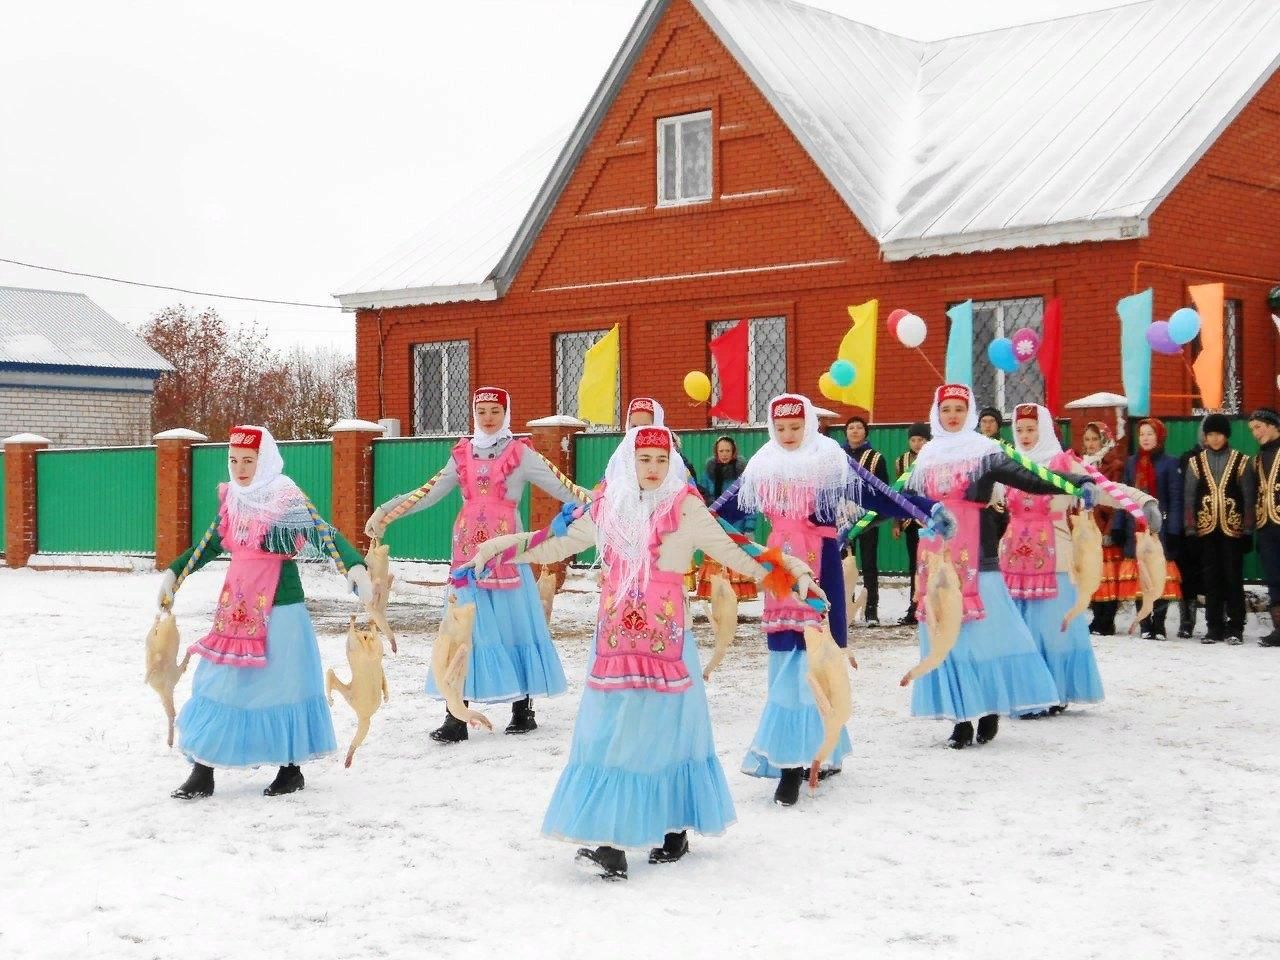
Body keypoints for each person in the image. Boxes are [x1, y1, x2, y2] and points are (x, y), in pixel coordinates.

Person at [466, 425, 816, 881]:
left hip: (666, 643)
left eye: (661, 460)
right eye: (644, 460)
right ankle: (614, 840)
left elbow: (737, 551)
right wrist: (500, 548)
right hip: (615, 643)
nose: (652, 468)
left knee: (669, 734)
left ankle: (668, 831)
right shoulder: (609, 507)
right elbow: (555, 542)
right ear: (629, 462)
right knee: (609, 732)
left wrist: (791, 571)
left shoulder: (686, 506)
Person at [717, 394, 947, 803]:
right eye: (781, 428)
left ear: (810, 425)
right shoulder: (762, 466)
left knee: (821, 656)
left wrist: (926, 509)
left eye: (795, 427)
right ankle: (790, 763)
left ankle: (825, 745)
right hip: (781, 570)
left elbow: (877, 495)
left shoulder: (830, 461)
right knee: (788, 661)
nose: (788, 436)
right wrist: (673, 517)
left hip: (821, 565)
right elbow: (717, 509)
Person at [158, 425, 372, 800]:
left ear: (265, 460)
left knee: (282, 686)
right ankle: (203, 769)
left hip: (281, 608)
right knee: (218, 681)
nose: (240, 469)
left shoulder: (286, 496)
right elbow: (208, 544)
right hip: (236, 607)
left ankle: (290, 770)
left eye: (249, 461)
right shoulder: (233, 499)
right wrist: (176, 572)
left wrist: (354, 566)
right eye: (234, 460)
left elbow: (325, 535)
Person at [365, 387, 588, 742]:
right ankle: (456, 714)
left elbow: (563, 487)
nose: (487, 417)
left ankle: (522, 708)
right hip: (466, 553)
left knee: (514, 625)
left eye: (495, 411)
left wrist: (607, 501)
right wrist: (388, 511)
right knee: (461, 628)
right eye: (481, 411)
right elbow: (430, 491)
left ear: (506, 413)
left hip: (507, 552)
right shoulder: (462, 454)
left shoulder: (521, 453)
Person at [905, 385, 1093, 749]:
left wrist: (1075, 481)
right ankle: (960, 718)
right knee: (947, 639)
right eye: (946, 409)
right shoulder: (925, 456)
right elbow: (903, 499)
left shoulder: (985, 453)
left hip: (978, 556)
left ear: (971, 411)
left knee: (983, 639)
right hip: (935, 558)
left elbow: (1030, 478)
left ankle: (989, 706)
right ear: (937, 413)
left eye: (960, 408)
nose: (953, 415)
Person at [1002, 404, 1158, 714]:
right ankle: (1027, 692)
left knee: (1053, 627)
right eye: (1019, 430)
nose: (1025, 436)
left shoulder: (1064, 463)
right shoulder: (1009, 465)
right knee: (1020, 631)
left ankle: (1057, 690)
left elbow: (1105, 489)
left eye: (1031, 429)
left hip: (1055, 559)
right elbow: (975, 493)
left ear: (1044, 430)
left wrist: (1143, 503)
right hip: (1013, 562)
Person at [1184, 413, 1256, 645]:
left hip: (1233, 530)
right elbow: (1189, 497)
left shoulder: (1241, 461)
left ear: (1227, 435)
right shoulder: (1196, 462)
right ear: (1205, 436)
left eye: (1219, 434)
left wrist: (1247, 530)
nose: (1215, 439)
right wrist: (1191, 530)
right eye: (1211, 434)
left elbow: (1248, 497)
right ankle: (1214, 627)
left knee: (1233, 578)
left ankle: (1235, 626)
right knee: (1211, 579)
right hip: (1206, 530)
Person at [1112, 417, 1184, 639]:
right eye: (1142, 434)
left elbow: (1175, 499)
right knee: (1140, 575)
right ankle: (1145, 624)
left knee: (1158, 574)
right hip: (1135, 529)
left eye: (1150, 434)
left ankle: (1159, 624)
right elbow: (1121, 496)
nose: (1145, 438)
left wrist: (1173, 530)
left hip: (1159, 530)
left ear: (1159, 437)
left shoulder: (1170, 464)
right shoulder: (1131, 463)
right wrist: (1117, 525)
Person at [1078, 421, 1128, 636]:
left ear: (1104, 440)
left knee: (1107, 576)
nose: (1090, 444)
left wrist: (1110, 530)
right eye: (1087, 439)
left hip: (1105, 528)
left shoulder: (1114, 466)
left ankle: (1107, 619)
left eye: (1095, 439)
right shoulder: (1080, 465)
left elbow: (1118, 500)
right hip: (1086, 528)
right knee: (1092, 576)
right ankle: (1097, 617)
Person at [841, 415, 889, 626]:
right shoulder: (837, 456)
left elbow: (883, 488)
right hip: (842, 518)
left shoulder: (876, 457)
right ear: (846, 432)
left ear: (865, 432)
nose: (854, 431)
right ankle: (845, 608)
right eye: (850, 428)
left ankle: (871, 611)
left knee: (869, 564)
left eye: (859, 428)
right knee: (844, 565)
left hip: (868, 518)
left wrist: (874, 513)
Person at [696, 436, 757, 600]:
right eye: (721, 451)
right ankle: (717, 595)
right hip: (716, 525)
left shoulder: (742, 476)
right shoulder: (708, 474)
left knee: (735, 560)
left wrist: (749, 527)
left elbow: (750, 503)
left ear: (734, 452)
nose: (724, 454)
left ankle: (736, 596)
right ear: (716, 452)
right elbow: (701, 496)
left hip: (737, 526)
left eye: (727, 451)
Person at [893, 422, 930, 625]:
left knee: (932, 563)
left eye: (921, 440)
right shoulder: (902, 461)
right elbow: (897, 493)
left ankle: (932, 605)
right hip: (910, 520)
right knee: (914, 565)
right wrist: (896, 522)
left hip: (930, 519)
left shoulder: (934, 458)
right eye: (913, 440)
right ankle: (914, 607)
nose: (917, 444)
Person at [1248, 408, 1280, 646]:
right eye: (1252, 430)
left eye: (1258, 427)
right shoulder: (1257, 459)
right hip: (1267, 526)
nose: (1255, 433)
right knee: (1274, 579)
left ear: (1272, 425)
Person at [1175, 436, 1205, 639]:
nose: (1211, 438)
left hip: (1215, 526)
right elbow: (1181, 494)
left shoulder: (1230, 459)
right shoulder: (1187, 459)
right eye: (1207, 433)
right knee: (1186, 577)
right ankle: (1187, 621)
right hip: (1188, 527)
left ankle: (1218, 620)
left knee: (1215, 576)